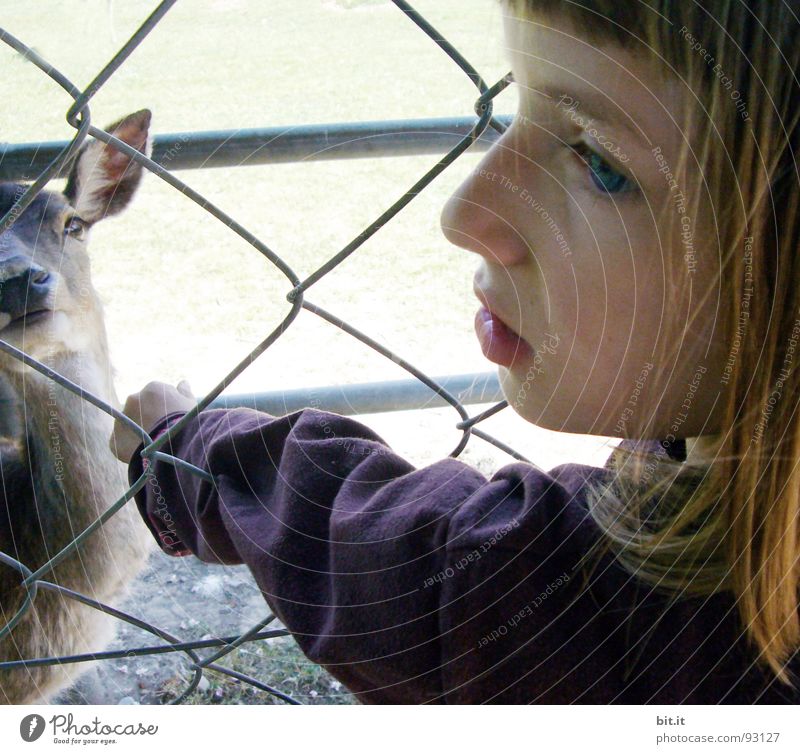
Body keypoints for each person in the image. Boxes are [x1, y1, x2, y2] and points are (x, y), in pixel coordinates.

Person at [111, 0, 800, 703]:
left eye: (599, 162)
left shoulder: (628, 620)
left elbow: (427, 577)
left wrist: (187, 455)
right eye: (514, 112)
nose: (465, 215)